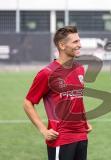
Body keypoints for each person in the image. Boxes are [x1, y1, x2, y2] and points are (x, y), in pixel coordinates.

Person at [23, 26, 92, 160]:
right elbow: (27, 103)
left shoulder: (79, 69)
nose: (80, 45)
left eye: (79, 41)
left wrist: (84, 121)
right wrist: (43, 130)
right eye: (75, 42)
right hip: (61, 138)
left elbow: (77, 98)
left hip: (81, 135)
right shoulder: (47, 73)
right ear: (62, 45)